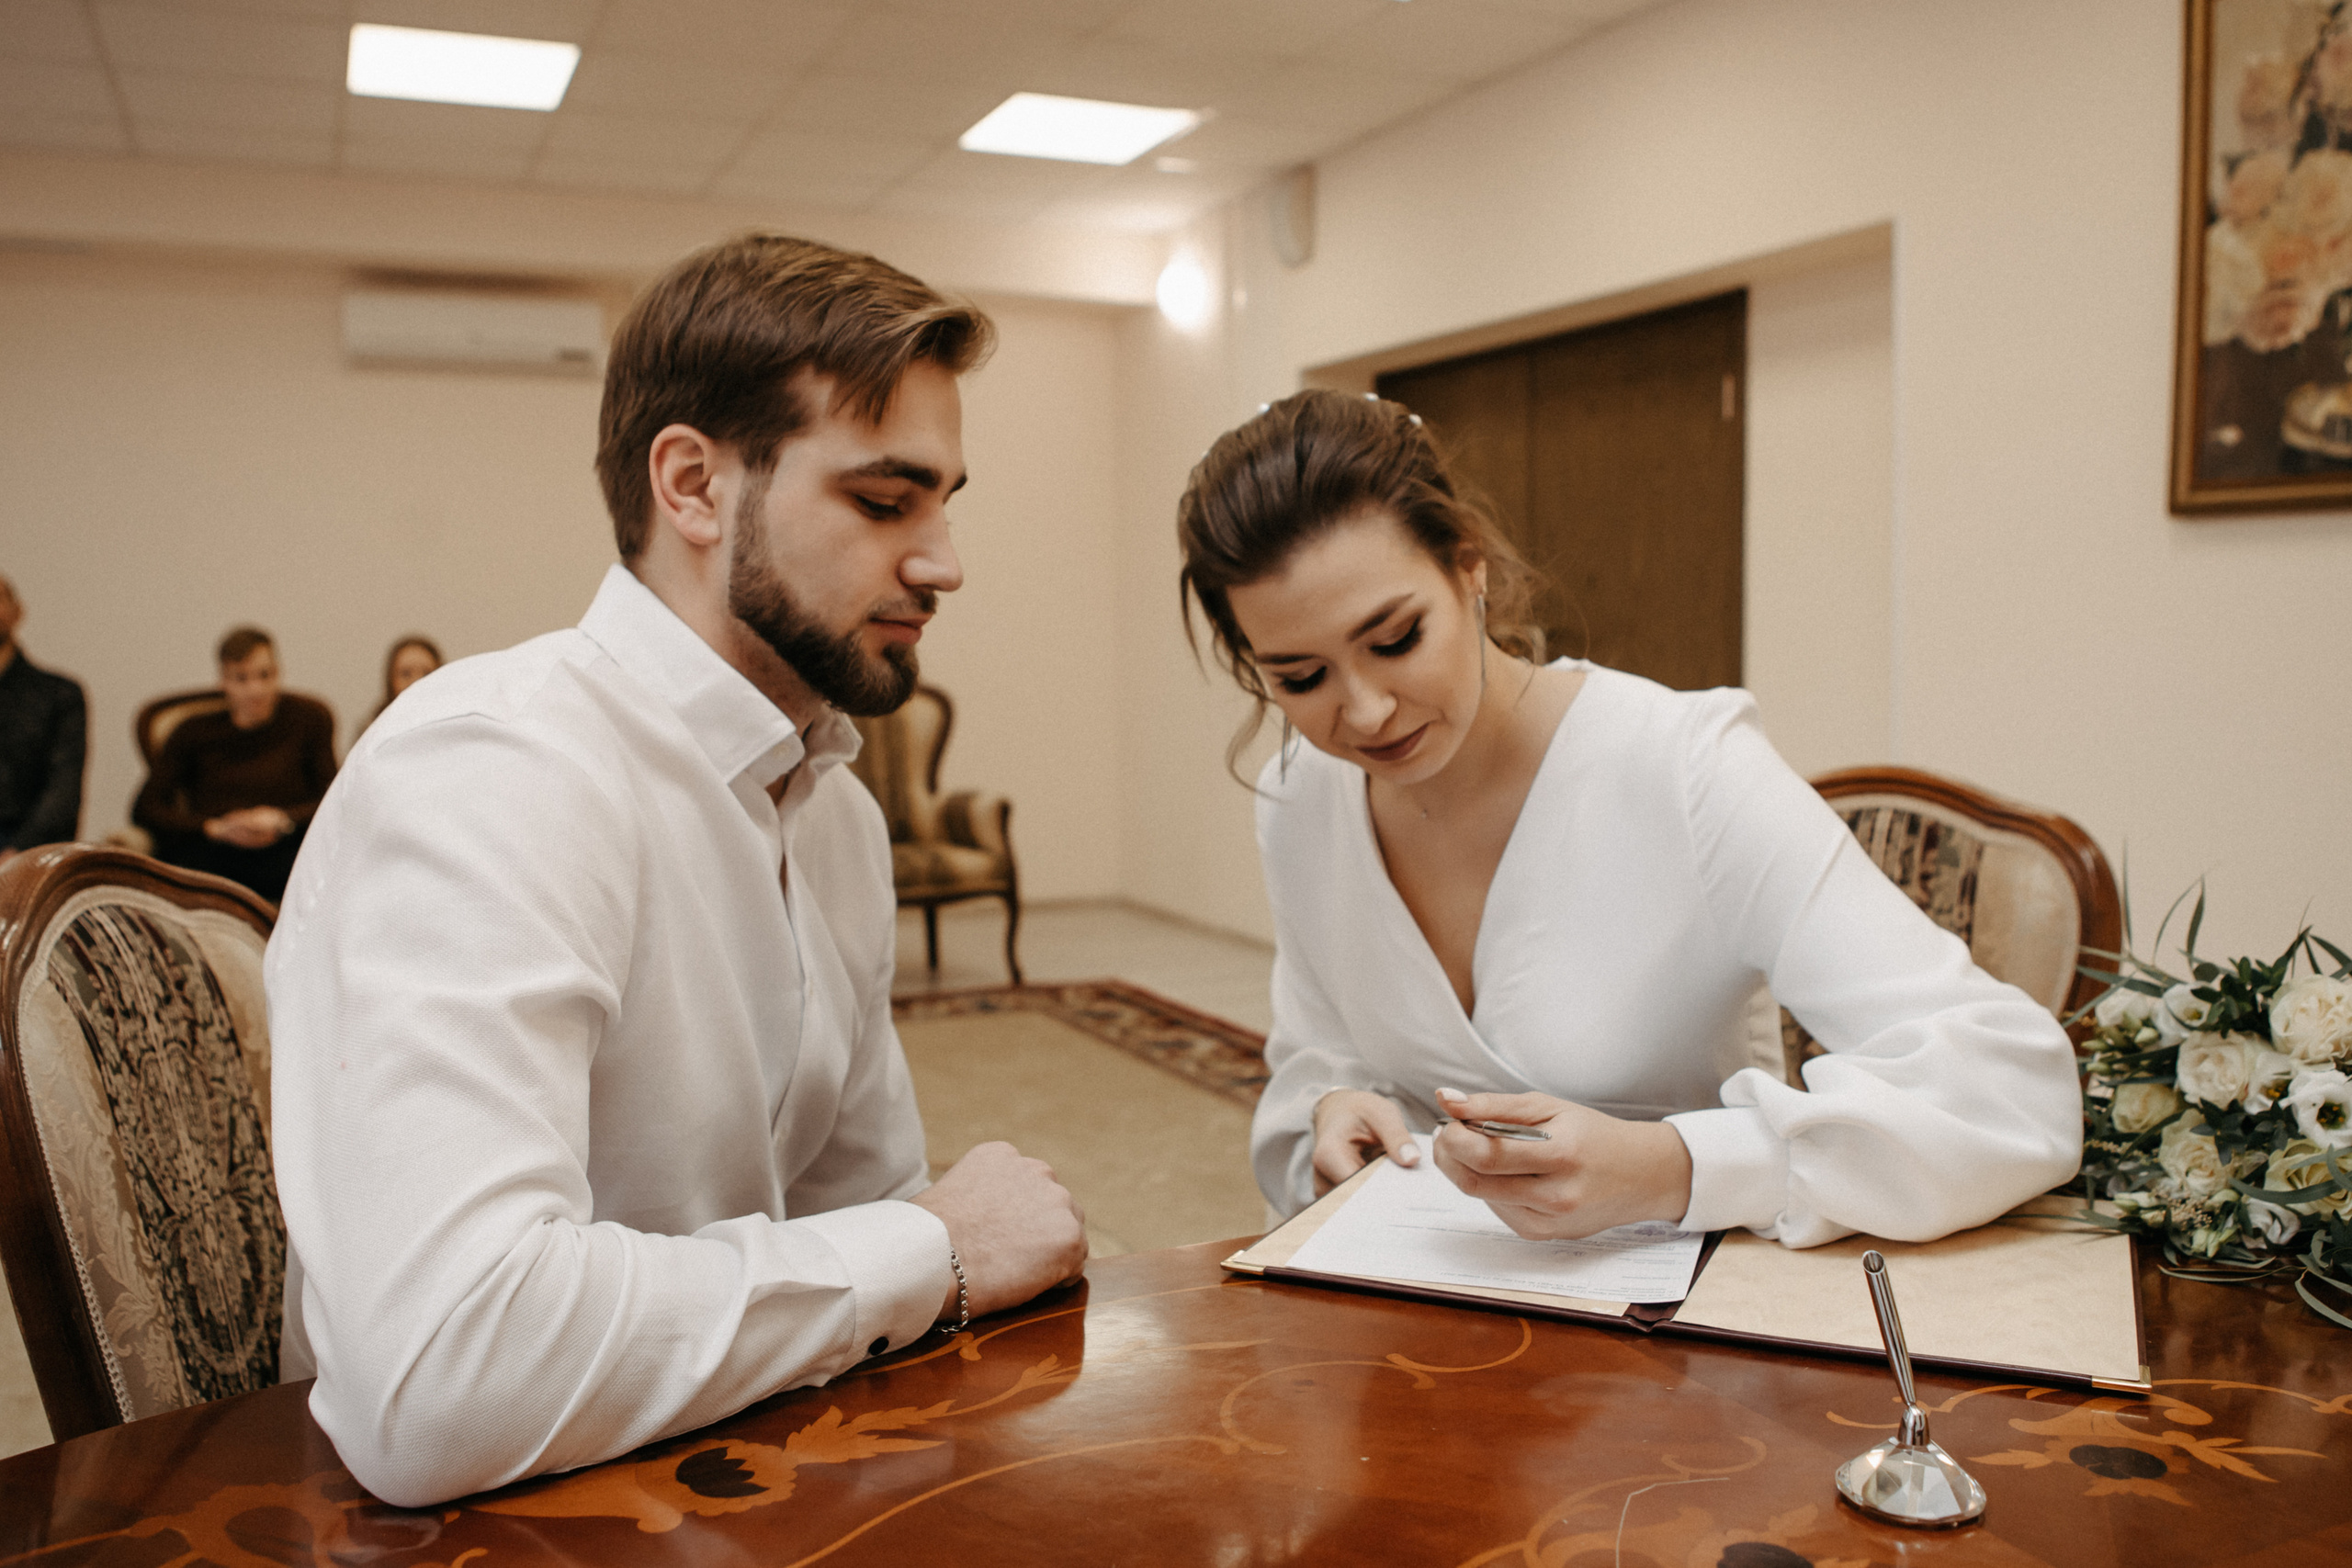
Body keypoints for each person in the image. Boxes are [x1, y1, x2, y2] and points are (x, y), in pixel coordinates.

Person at [265, 233, 1088, 1508]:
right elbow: (443, 1373)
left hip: (748, 1474)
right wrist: (935, 1242)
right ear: (694, 485)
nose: (944, 562)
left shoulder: (837, 815)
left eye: (946, 500)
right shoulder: (491, 772)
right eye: (885, 501)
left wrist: (915, 1246)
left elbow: (861, 1211)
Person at [1176, 389, 2079, 1248]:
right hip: (1420, 1328)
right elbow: (1320, 1055)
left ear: (1468, 566)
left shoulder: (1682, 768)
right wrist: (1335, 1106)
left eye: (1395, 639)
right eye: (1300, 679)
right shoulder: (1303, 799)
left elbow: (2006, 1088)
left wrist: (1678, 1167)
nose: (1365, 712)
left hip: (1682, 1342)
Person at [132, 626, 335, 903]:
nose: (256, 689)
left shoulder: (309, 720)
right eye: (241, 678)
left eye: (265, 675)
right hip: (214, 856)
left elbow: (334, 797)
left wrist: (284, 820)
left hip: (287, 852)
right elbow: (146, 808)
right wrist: (213, 827)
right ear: (223, 682)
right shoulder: (193, 732)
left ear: (278, 672)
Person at [0, 573, 87, 864]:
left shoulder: (60, 695)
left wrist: (16, 853)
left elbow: (63, 791)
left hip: (29, 844)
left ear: (17, 611)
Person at [372, 634, 443, 725]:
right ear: (391, 681)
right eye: (406, 674)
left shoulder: (454, 724)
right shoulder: (373, 730)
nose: (416, 681)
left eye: (426, 673)